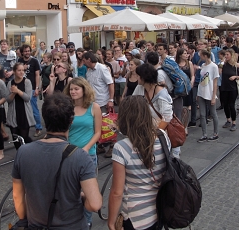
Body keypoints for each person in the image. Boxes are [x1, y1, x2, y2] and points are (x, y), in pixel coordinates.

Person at [12, 93, 102, 230]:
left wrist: (24, 220)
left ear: (44, 118)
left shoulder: (23, 152)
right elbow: (95, 204)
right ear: (71, 121)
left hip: (36, 225)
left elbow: (17, 195)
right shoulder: (81, 157)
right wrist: (81, 197)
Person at [108, 96, 170, 230]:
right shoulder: (163, 137)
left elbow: (117, 192)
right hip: (159, 210)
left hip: (135, 216)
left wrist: (111, 221)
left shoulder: (122, 148)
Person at [64, 77, 102, 228]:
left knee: (87, 192)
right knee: (70, 190)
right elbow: (65, 132)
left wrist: (86, 148)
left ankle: (87, 221)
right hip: (70, 154)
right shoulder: (67, 108)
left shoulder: (94, 107)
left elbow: (98, 132)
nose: (73, 92)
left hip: (88, 155)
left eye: (76, 89)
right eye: (71, 89)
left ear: (84, 90)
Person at [82, 51, 115, 157]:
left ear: (89, 60)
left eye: (84, 60)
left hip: (103, 101)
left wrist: (111, 100)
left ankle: (112, 146)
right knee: (96, 125)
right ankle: (100, 146)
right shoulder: (89, 71)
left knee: (107, 125)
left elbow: (110, 84)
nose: (83, 62)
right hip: (93, 102)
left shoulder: (102, 68)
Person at [6, 63, 35, 149]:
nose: (22, 72)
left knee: (24, 137)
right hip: (14, 113)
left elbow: (27, 98)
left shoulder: (27, 82)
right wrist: (13, 93)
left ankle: (30, 150)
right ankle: (19, 154)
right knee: (15, 138)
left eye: (23, 70)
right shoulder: (10, 83)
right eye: (19, 70)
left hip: (24, 113)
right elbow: (8, 100)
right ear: (14, 71)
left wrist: (17, 91)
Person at [18, 44, 43, 137]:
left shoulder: (34, 61)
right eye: (25, 51)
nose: (27, 53)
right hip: (21, 88)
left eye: (28, 51)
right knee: (22, 109)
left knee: (34, 109)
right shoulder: (19, 61)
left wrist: (37, 88)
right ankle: (25, 125)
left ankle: (38, 128)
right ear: (22, 52)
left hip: (32, 88)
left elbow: (37, 75)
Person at [197, 49, 220, 142]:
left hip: (209, 93)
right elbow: (202, 79)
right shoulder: (203, 65)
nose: (200, 58)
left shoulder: (214, 66)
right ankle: (204, 134)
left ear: (205, 56)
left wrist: (214, 96)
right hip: (201, 92)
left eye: (201, 56)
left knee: (213, 113)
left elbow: (215, 82)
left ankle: (215, 133)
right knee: (202, 114)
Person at [219, 49, 239, 132]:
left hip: (233, 88)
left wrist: (235, 77)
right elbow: (219, 73)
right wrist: (221, 64)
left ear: (231, 55)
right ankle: (228, 120)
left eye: (227, 55)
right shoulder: (224, 65)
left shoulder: (236, 65)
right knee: (225, 104)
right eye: (225, 55)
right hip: (224, 87)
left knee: (231, 105)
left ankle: (234, 122)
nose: (226, 56)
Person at [176, 47, 194, 113]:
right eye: (185, 53)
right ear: (180, 55)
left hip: (188, 86)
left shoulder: (189, 63)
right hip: (179, 87)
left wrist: (192, 81)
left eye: (187, 53)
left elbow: (192, 75)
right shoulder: (176, 64)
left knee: (188, 107)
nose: (187, 55)